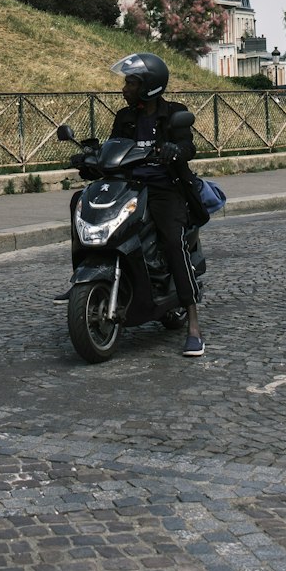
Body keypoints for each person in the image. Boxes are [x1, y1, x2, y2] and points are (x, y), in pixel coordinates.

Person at [107, 51, 205, 358]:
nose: (124, 88)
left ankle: (193, 325)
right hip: (131, 188)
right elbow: (113, 147)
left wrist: (175, 149)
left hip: (165, 190)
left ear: (148, 86)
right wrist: (91, 156)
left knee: (173, 243)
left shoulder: (174, 113)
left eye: (131, 83)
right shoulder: (124, 117)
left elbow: (189, 146)